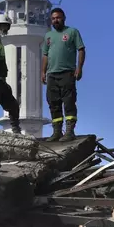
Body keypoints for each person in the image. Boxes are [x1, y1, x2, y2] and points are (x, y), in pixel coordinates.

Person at [41, 8, 85, 142]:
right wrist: (43, 71)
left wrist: (79, 68)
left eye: (58, 18)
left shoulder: (72, 32)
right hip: (51, 74)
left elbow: (81, 49)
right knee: (53, 102)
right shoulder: (48, 36)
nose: (56, 20)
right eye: (53, 18)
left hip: (67, 73)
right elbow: (45, 54)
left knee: (69, 102)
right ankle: (57, 132)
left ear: (64, 18)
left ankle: (70, 131)